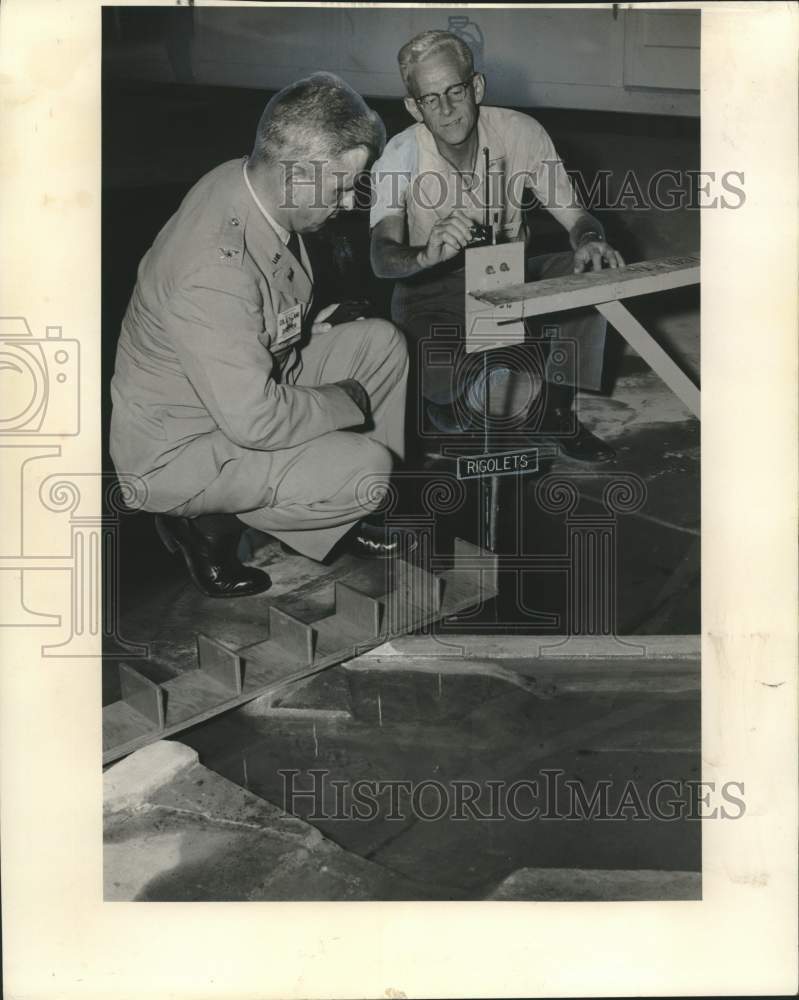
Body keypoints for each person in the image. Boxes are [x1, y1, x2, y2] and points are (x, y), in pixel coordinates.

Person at [110, 73, 412, 599]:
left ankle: (339, 514)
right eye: (341, 186)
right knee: (370, 468)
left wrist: (302, 325)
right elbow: (255, 419)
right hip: (185, 449)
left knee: (380, 345)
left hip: (231, 390)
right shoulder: (212, 268)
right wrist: (345, 401)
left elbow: (252, 307)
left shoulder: (246, 180)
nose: (347, 202)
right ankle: (205, 525)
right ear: (295, 174)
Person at [370, 30, 625, 463]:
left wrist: (590, 240)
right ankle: (446, 407)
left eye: (455, 90)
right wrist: (425, 255)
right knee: (469, 403)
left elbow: (577, 216)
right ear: (414, 107)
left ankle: (556, 412)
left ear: (477, 87)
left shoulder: (520, 132)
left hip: (511, 276)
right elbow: (381, 257)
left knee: (592, 271)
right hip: (431, 290)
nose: (447, 110)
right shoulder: (399, 156)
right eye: (431, 99)